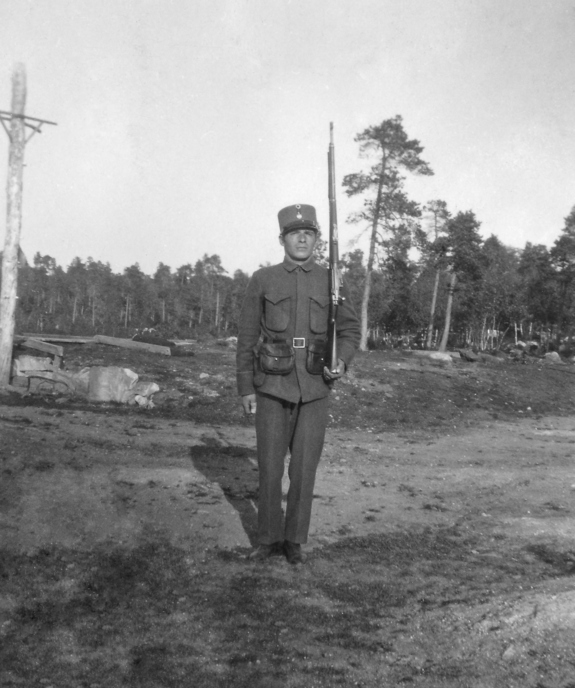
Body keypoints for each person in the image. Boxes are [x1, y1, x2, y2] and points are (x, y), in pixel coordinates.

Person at [236, 203, 360, 564]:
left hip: (315, 386)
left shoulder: (331, 279)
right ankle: (268, 538)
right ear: (282, 239)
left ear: (318, 239)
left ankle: (295, 540)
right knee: (271, 467)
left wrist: (342, 359)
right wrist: (245, 387)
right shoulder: (264, 279)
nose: (302, 238)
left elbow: (350, 330)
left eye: (309, 233)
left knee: (304, 469)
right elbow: (246, 337)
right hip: (272, 385)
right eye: (295, 233)